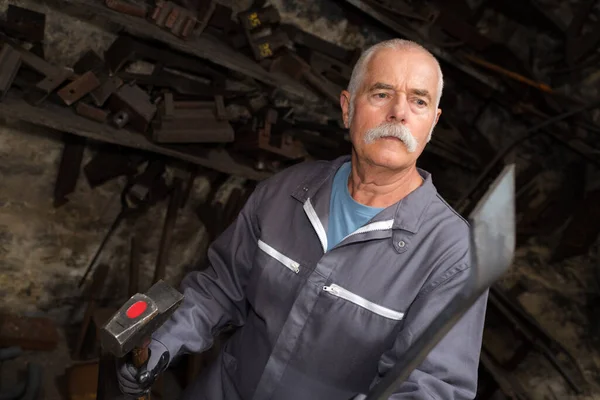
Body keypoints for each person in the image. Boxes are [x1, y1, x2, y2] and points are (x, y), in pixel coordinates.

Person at [117, 38, 488, 400]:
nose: (399, 113)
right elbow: (219, 287)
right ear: (347, 108)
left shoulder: (453, 255)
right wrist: (163, 342)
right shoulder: (286, 191)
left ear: (432, 123)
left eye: (418, 101)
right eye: (381, 94)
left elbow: (433, 386)